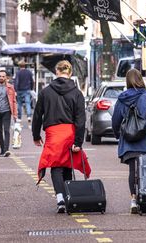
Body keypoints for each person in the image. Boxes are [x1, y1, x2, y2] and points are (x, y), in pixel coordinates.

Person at [32, 60, 91, 214]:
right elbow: (80, 119)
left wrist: (36, 135)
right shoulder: (77, 93)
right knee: (67, 164)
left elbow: (38, 115)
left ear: (57, 72)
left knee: (55, 166)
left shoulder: (45, 92)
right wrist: (78, 141)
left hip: (53, 133)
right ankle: (68, 196)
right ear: (70, 73)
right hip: (70, 132)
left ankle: (60, 198)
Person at [111, 69, 146, 214]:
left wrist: (117, 135)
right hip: (145, 141)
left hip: (128, 140)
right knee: (145, 170)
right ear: (141, 79)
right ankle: (145, 197)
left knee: (133, 170)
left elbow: (116, 121)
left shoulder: (122, 98)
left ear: (127, 80)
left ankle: (133, 198)